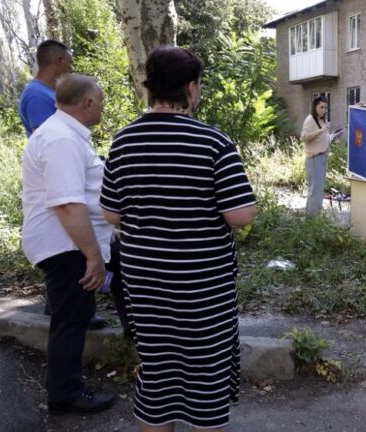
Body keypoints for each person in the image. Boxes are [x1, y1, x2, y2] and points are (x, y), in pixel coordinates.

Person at [100, 45, 257, 432]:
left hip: (145, 281)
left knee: (157, 369)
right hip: (202, 285)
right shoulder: (213, 142)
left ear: (152, 89)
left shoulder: (124, 141)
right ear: (191, 88)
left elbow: (110, 213)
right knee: (205, 372)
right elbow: (240, 215)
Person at [21, 73, 116, 415]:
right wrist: (93, 257)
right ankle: (65, 393)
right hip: (65, 246)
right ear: (88, 104)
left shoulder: (65, 134)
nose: (103, 107)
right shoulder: (61, 139)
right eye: (101, 101)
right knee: (69, 320)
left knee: (76, 312)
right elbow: (67, 203)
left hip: (71, 242)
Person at [19, 40, 73, 137]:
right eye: (70, 63)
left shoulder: (47, 91)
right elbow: (47, 142)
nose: (72, 68)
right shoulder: (37, 96)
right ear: (59, 61)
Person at [300, 95, 331, 216]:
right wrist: (321, 131)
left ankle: (311, 219)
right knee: (315, 191)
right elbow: (303, 137)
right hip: (314, 159)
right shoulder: (310, 119)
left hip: (322, 157)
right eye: (321, 107)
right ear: (315, 107)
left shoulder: (321, 120)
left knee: (317, 190)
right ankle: (313, 221)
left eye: (325, 108)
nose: (324, 110)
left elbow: (320, 138)